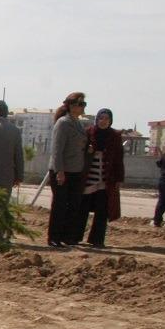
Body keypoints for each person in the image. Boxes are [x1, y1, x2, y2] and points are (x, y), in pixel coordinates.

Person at [47, 92, 88, 247]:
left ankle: (67, 237)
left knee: (73, 205)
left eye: (84, 104)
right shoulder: (63, 123)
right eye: (80, 104)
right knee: (60, 205)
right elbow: (57, 150)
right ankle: (54, 237)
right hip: (62, 171)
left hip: (76, 170)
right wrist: (59, 171)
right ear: (71, 106)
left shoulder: (78, 123)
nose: (83, 107)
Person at [80, 108, 124, 248]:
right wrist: (88, 151)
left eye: (106, 118)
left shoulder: (115, 136)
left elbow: (119, 158)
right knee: (82, 208)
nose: (103, 121)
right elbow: (80, 151)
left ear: (110, 120)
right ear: (97, 119)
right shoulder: (89, 132)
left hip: (106, 177)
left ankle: (97, 239)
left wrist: (119, 178)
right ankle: (75, 237)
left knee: (102, 210)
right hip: (89, 176)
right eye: (101, 118)